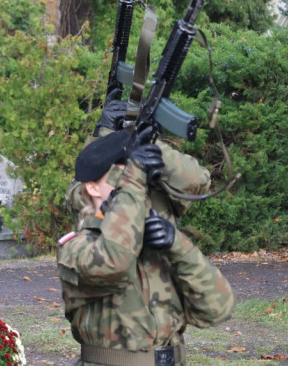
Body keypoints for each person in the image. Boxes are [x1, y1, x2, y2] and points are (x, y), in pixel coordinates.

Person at [58, 128, 235, 365]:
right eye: (124, 174)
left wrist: (177, 244)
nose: (136, 183)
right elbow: (114, 262)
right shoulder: (77, 247)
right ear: (92, 187)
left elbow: (217, 310)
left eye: (139, 175)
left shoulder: (159, 246)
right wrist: (135, 175)